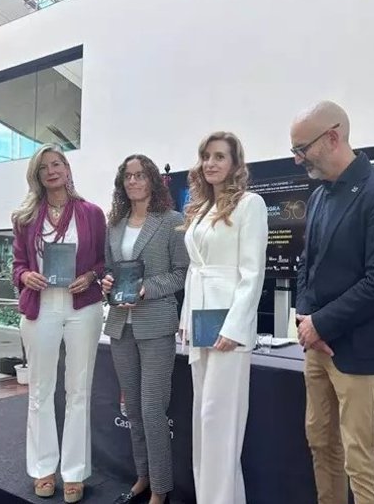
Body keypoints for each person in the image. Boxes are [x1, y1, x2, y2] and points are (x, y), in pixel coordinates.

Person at [291, 101, 374, 504]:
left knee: (362, 461)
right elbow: (307, 266)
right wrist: (305, 317)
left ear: (332, 137)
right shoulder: (320, 197)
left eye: (302, 148)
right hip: (317, 347)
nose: (297, 158)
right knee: (321, 445)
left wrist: (321, 324)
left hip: (361, 350)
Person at [11, 143, 106, 503]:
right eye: (43, 167)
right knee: (40, 390)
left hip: (82, 306)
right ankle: (43, 468)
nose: (51, 171)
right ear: (37, 176)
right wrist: (26, 277)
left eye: (56, 164)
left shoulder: (92, 213)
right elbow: (17, 265)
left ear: (67, 168)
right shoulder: (24, 217)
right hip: (42, 306)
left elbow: (102, 262)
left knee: (79, 390)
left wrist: (91, 277)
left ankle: (75, 473)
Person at [180, 131, 268, 504]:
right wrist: (186, 320)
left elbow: (252, 274)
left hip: (229, 327)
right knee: (203, 421)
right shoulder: (200, 208)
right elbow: (195, 271)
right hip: (200, 322)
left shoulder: (250, 204)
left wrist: (235, 327)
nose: (211, 163)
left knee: (221, 424)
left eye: (219, 156)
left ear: (235, 163)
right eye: (206, 156)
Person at [102, 154, 189, 504]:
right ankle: (143, 475)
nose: (134, 181)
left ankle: (161, 488)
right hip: (121, 327)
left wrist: (146, 288)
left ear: (152, 179)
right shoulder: (115, 225)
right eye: (128, 176)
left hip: (156, 325)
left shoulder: (172, 222)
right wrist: (108, 284)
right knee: (134, 409)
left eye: (140, 175)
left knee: (153, 409)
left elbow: (181, 274)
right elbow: (110, 272)